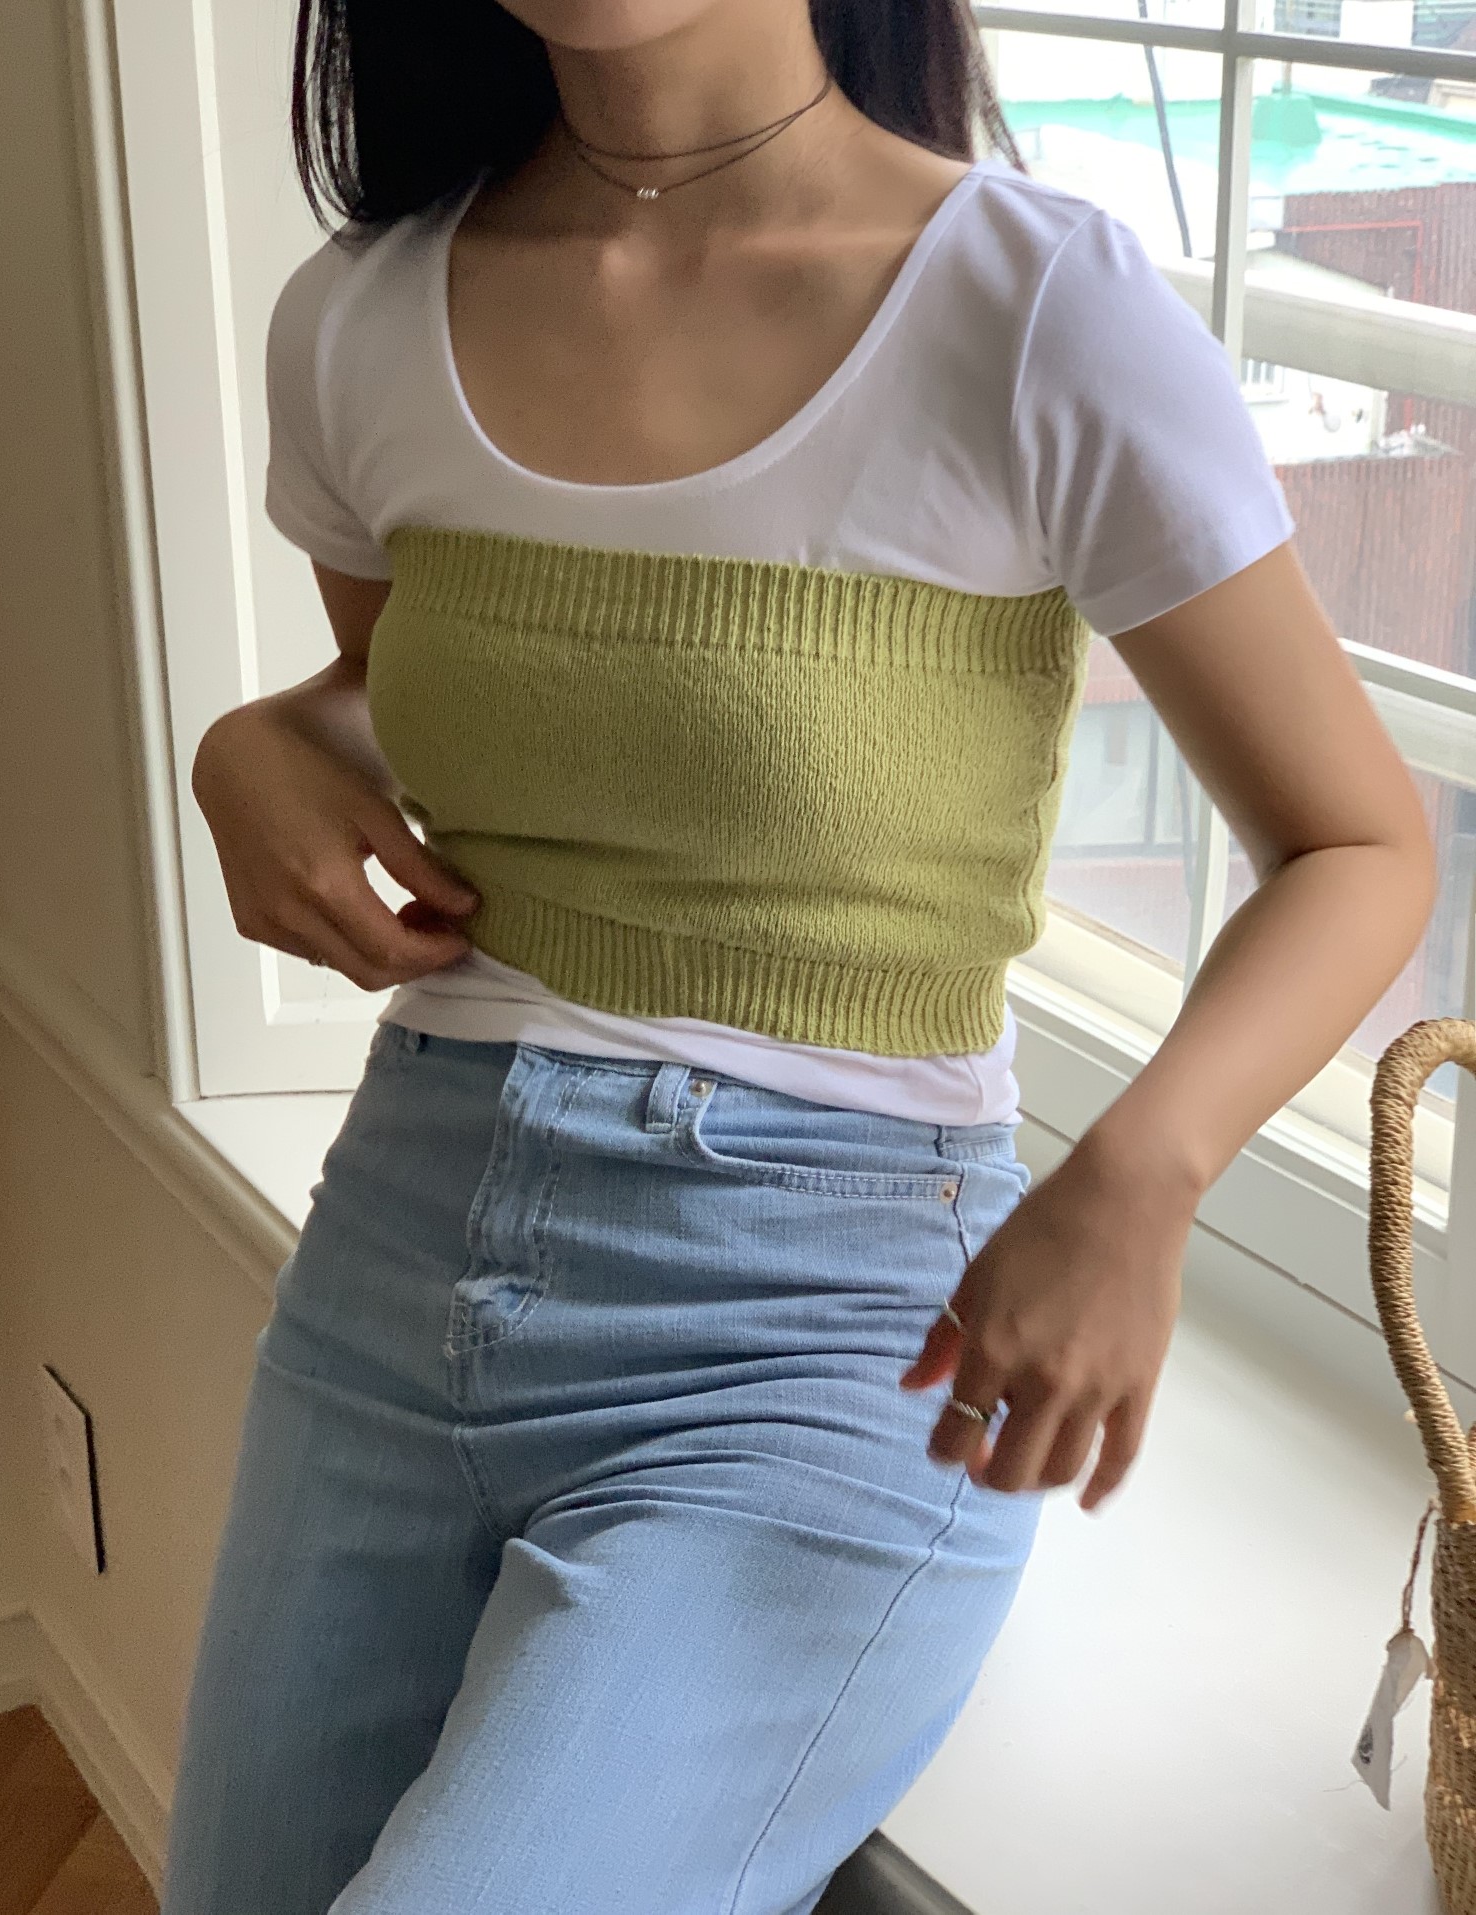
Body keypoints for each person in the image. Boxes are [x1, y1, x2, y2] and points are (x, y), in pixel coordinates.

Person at [159, 1, 1437, 1910]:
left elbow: (1357, 842)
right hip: (395, 1255)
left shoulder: (1033, 307)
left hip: (817, 1323)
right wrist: (252, 743)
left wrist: (1140, 1177)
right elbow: (450, 687)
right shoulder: (357, 317)